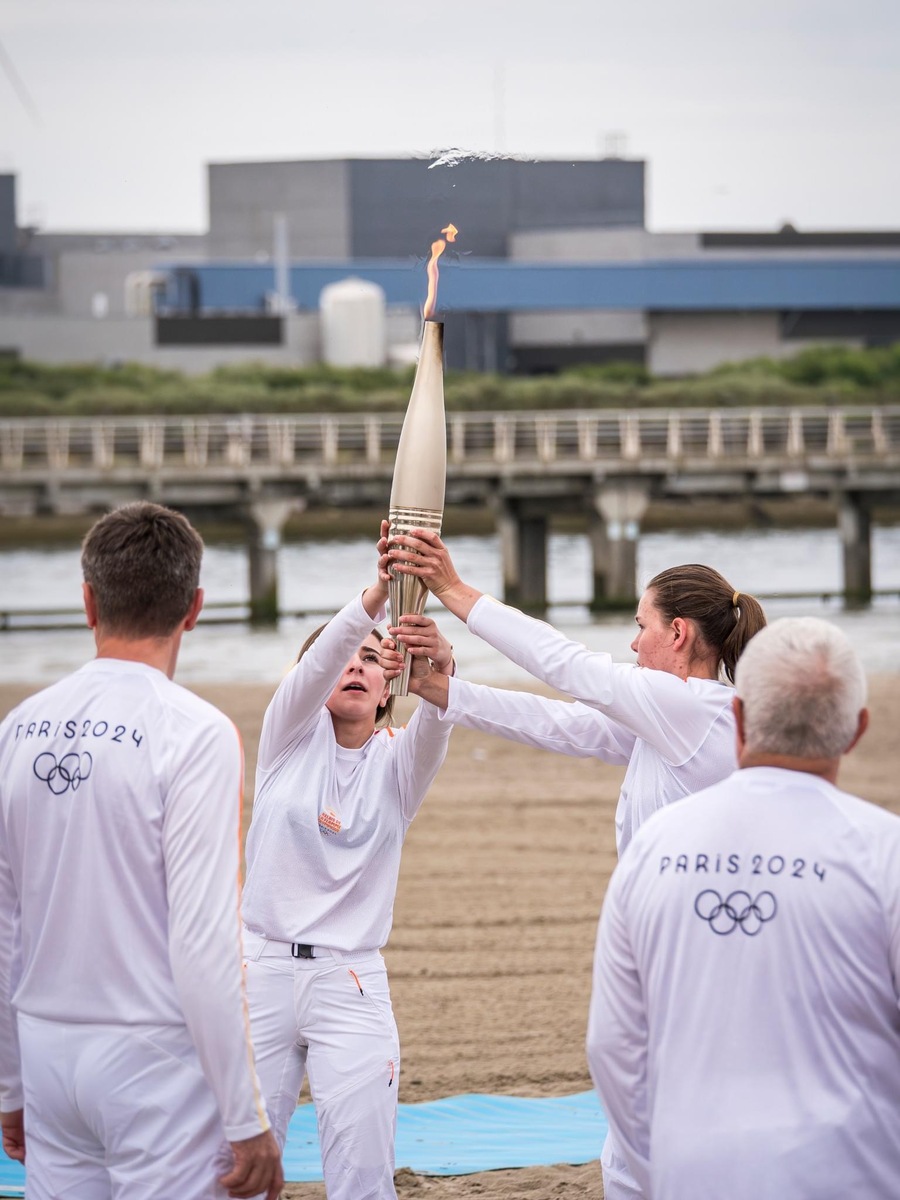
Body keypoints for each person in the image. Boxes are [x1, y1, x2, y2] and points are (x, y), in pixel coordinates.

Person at [382, 531, 766, 1199]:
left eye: (641, 626)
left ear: (678, 634)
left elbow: (564, 664)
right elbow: (559, 724)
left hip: (693, 947)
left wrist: (453, 590)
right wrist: (444, 690)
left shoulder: (691, 707)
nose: (632, 643)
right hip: (678, 942)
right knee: (645, 1124)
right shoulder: (679, 717)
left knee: (657, 1127)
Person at [0, 502, 283, 1200]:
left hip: (47, 1046)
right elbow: (203, 941)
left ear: (88, 603)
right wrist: (245, 1118)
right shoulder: (196, 733)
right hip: (153, 1059)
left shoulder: (19, 727)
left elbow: (5, 926)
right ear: (194, 608)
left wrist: (10, 1082)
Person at [586, 616, 900, 1199]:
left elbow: (613, 1046)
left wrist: (660, 1171)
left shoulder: (655, 846)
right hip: (850, 1173)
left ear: (737, 716)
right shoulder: (885, 853)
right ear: (856, 730)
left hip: (694, 1168)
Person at [240, 520, 455, 1200]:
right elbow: (317, 665)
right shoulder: (285, 737)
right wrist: (378, 594)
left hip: (351, 981)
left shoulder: (398, 765)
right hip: (260, 972)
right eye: (345, 657)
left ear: (388, 685)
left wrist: (439, 665)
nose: (356, 666)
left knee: (362, 1174)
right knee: (236, 1171)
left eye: (371, 659)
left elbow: (439, 717)